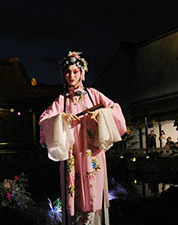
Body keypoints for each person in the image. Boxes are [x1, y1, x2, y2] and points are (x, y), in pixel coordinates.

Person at [39, 51, 126, 225]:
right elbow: (43, 121)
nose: (71, 76)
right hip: (72, 155)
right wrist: (60, 118)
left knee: (94, 191)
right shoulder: (62, 100)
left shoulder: (94, 95)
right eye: (68, 72)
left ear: (82, 73)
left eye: (75, 72)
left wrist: (101, 115)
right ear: (64, 75)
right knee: (74, 193)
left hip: (92, 153)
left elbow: (115, 111)